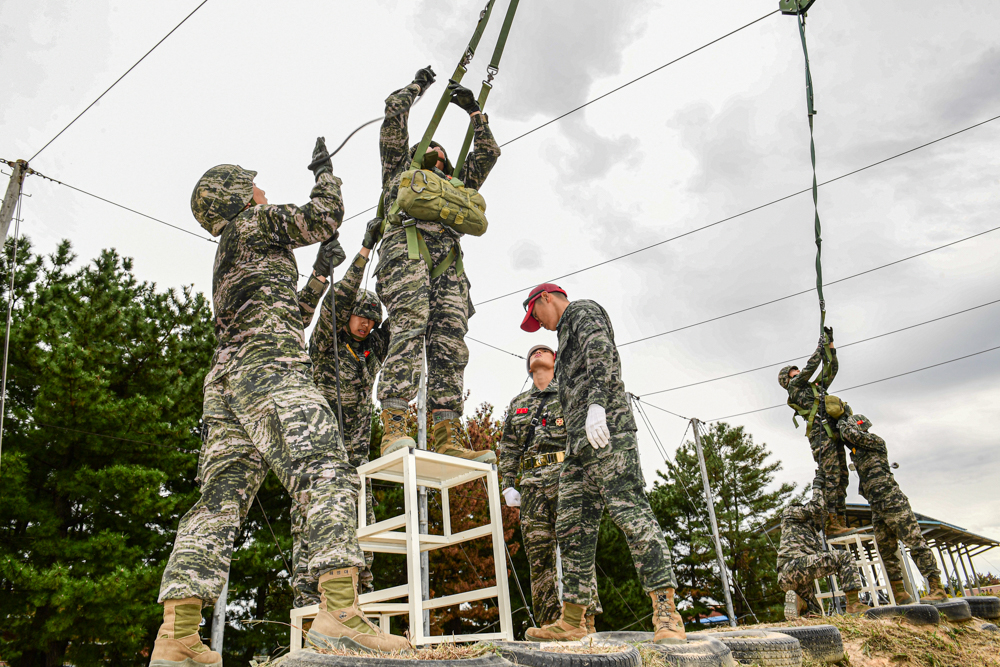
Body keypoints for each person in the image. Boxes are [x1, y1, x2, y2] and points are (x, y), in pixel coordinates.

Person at [152, 143, 409, 667]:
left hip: (226, 382)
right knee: (328, 470)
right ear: (239, 197)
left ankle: (177, 636)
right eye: (254, 185)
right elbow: (324, 214)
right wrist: (325, 173)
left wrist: (319, 268)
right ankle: (338, 612)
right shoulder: (255, 223)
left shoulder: (230, 251)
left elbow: (289, 310)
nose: (262, 189)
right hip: (269, 368)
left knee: (217, 503)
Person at [519, 284, 684, 644]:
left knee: (631, 514)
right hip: (579, 446)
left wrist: (598, 406)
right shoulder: (562, 336)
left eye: (536, 315)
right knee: (571, 527)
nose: (540, 324)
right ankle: (574, 620)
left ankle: (667, 614)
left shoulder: (581, 310)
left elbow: (602, 353)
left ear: (546, 298)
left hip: (607, 432)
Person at [373, 66, 501, 462]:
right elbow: (393, 115)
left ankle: (448, 432)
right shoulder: (401, 170)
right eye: (434, 150)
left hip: (448, 262)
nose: (440, 154)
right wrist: (418, 87)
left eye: (444, 154)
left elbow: (489, 153)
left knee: (450, 342)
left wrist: (475, 114)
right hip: (407, 250)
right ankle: (394, 422)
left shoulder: (457, 184)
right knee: (409, 326)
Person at [290, 235, 391, 609]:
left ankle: (358, 600)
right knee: (312, 522)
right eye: (361, 316)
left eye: (371, 319)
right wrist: (364, 253)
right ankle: (308, 603)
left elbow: (403, 317)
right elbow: (336, 300)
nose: (366, 324)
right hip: (319, 456)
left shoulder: (371, 350)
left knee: (362, 526)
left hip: (356, 464)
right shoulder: (326, 343)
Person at [498, 344, 603, 633]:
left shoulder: (569, 395)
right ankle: (548, 623)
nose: (537, 353)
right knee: (538, 555)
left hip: (565, 477)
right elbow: (508, 447)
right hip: (532, 485)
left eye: (544, 350)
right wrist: (507, 485)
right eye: (532, 352)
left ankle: (585, 620)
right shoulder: (518, 403)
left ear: (555, 361)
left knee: (575, 549)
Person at [837, 411, 948, 603]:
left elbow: (850, 435)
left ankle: (936, 587)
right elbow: (848, 440)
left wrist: (842, 421)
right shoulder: (858, 452)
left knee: (915, 542)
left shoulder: (875, 441)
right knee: (886, 549)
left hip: (893, 501)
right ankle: (900, 593)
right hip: (878, 506)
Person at [778, 329, 851, 536]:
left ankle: (840, 520)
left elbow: (831, 369)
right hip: (820, 437)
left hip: (834, 433)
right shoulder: (795, 389)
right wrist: (820, 347)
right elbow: (811, 368)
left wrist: (830, 346)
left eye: (797, 372)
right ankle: (830, 523)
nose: (799, 373)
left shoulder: (815, 388)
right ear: (788, 380)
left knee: (842, 477)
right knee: (831, 477)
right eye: (794, 374)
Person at [777, 488, 867, 619]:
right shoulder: (789, 512)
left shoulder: (808, 531)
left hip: (791, 576)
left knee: (815, 613)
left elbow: (821, 512)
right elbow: (816, 506)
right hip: (794, 566)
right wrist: (818, 486)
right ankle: (853, 604)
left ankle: (801, 603)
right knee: (844, 557)